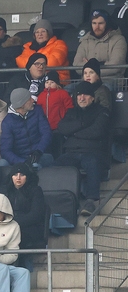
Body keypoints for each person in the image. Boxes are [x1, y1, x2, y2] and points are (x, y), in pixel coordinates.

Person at [56, 82, 110, 216]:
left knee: (92, 162)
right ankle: (62, 202)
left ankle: (91, 201)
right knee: (55, 165)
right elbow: (62, 128)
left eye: (85, 95)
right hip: (71, 152)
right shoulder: (72, 112)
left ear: (92, 97)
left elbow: (96, 131)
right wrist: (83, 124)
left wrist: (73, 133)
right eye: (79, 95)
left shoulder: (102, 111)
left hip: (93, 152)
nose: (81, 98)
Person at [0, 88, 52, 168]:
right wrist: (23, 163)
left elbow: (46, 133)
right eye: (30, 99)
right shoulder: (7, 122)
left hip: (39, 155)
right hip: (18, 159)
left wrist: (39, 151)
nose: (33, 100)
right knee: (1, 164)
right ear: (22, 104)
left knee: (36, 165)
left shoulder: (37, 111)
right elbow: (5, 151)